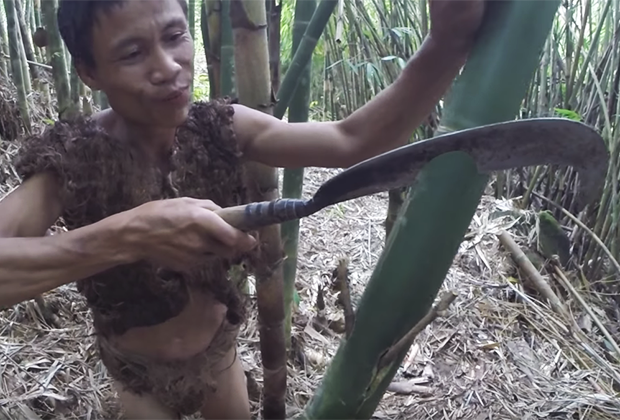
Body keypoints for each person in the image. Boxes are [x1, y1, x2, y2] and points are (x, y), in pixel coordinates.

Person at [0, 0, 486, 418]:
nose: (168, 66)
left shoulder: (219, 128)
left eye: (175, 36)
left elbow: (351, 139)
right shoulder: (73, 160)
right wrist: (128, 235)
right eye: (132, 53)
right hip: (137, 373)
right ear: (89, 72)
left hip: (219, 355)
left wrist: (445, 44)